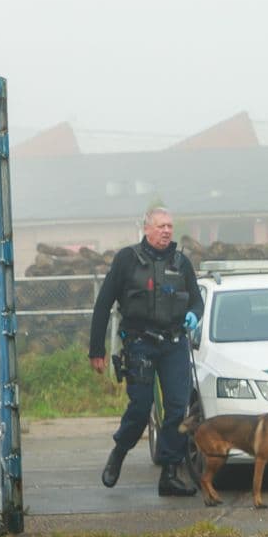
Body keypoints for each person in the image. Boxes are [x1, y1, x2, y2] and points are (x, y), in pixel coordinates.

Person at [88, 206, 202, 497]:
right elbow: (103, 304)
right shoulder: (127, 259)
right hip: (140, 343)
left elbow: (197, 302)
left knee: (177, 407)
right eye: (161, 226)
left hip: (174, 344)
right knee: (140, 407)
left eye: (170, 226)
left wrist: (194, 315)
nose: (166, 231)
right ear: (147, 229)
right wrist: (96, 349)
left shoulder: (181, 262)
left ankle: (170, 473)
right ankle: (119, 451)